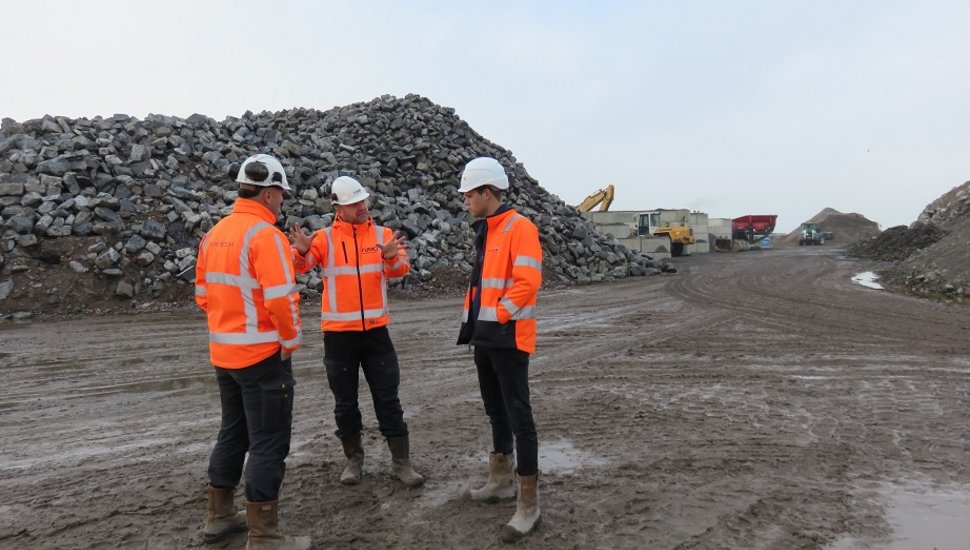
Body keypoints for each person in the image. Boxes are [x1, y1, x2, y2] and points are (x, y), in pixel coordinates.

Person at [195, 153, 310, 550]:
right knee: (268, 442)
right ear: (269, 192)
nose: (282, 202)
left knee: (233, 432)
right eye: (281, 194)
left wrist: (231, 325)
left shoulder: (214, 235)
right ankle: (264, 537)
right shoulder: (266, 237)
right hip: (262, 357)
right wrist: (290, 339)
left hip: (224, 356)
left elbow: (202, 296)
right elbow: (281, 299)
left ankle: (219, 517)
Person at [288, 175, 424, 488]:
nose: (361, 207)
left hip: (376, 334)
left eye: (362, 201)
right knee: (345, 403)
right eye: (353, 204)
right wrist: (300, 252)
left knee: (388, 400)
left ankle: (401, 463)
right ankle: (354, 461)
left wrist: (390, 256)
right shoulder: (324, 238)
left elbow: (400, 269)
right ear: (338, 208)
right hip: (339, 337)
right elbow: (300, 267)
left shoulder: (382, 234)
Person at [456, 156, 543, 542]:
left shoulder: (519, 228)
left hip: (507, 338)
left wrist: (501, 315)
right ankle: (501, 481)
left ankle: (528, 505)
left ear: (487, 193)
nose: (465, 201)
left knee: (519, 416)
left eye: (469, 194)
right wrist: (474, 324)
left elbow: (528, 281)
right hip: (485, 337)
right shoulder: (487, 230)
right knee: (495, 412)